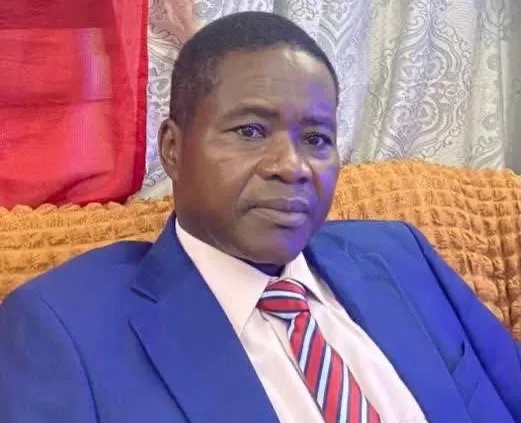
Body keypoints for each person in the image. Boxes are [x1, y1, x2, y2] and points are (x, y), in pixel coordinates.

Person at [0, 11, 520, 423]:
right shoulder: (61, 328)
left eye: (316, 138)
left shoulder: (401, 253)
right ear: (173, 148)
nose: (292, 166)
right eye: (250, 131)